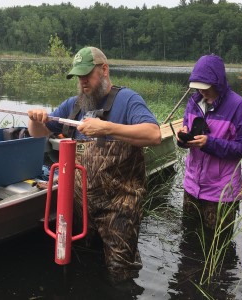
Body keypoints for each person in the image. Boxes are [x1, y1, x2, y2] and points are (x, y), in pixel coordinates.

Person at [27, 46, 161, 283]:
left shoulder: (128, 100)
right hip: (80, 208)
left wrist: (107, 128)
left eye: (87, 75)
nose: (82, 82)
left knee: (121, 275)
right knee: (84, 267)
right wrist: (35, 120)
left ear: (104, 70)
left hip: (118, 208)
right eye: (79, 77)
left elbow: (153, 134)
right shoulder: (74, 105)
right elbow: (39, 133)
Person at [176, 54, 242, 231]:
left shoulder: (238, 106)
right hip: (191, 186)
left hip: (221, 192)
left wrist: (209, 143)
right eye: (198, 88)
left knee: (219, 247)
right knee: (188, 239)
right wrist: (182, 138)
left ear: (218, 82)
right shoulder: (193, 102)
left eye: (206, 87)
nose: (202, 92)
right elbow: (187, 130)